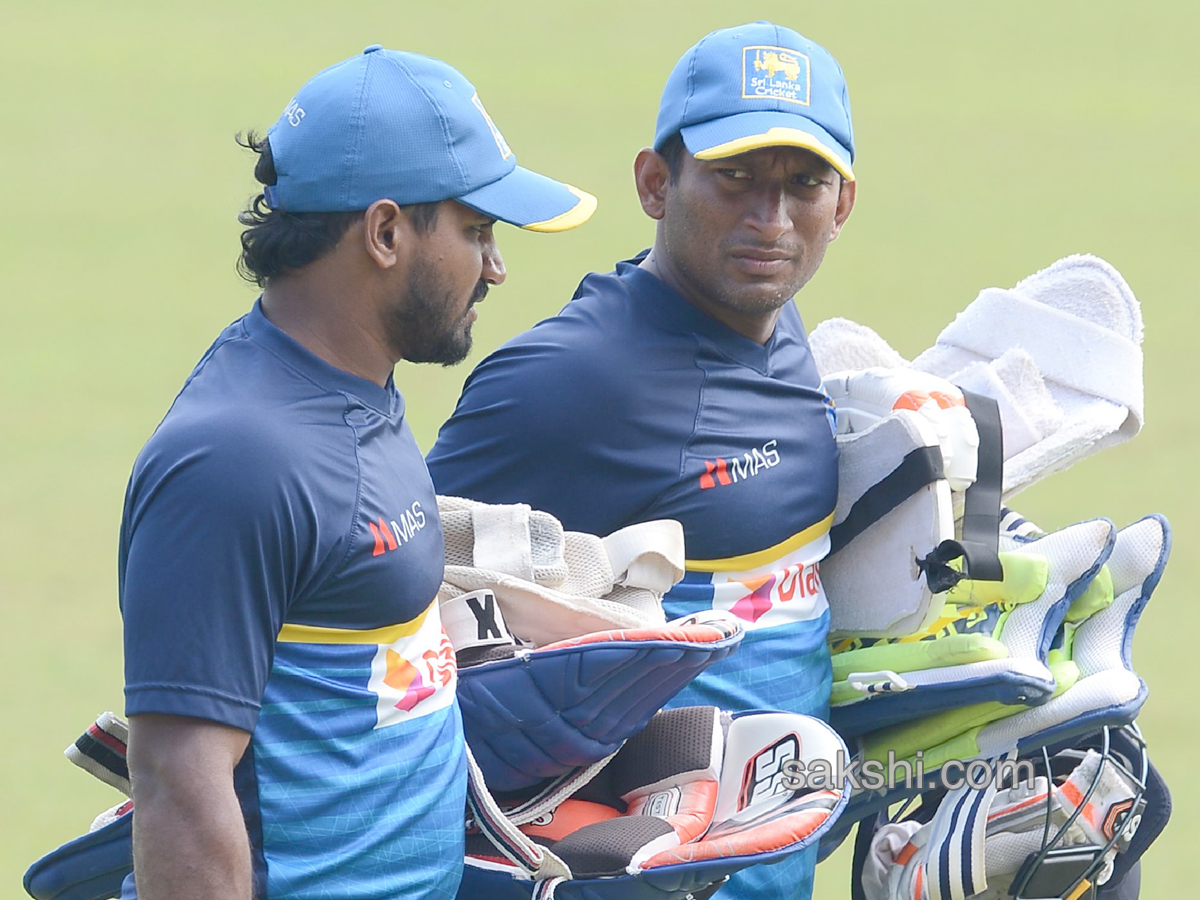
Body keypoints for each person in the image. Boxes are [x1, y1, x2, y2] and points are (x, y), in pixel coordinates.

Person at [118, 45, 594, 900]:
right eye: (477, 231)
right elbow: (178, 790)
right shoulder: (238, 461)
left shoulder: (355, 383)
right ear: (384, 233)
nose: (496, 267)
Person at [427, 21, 854, 900]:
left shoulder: (786, 334)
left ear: (841, 204)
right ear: (656, 183)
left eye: (802, 183)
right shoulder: (569, 381)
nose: (769, 218)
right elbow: (389, 581)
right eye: (733, 177)